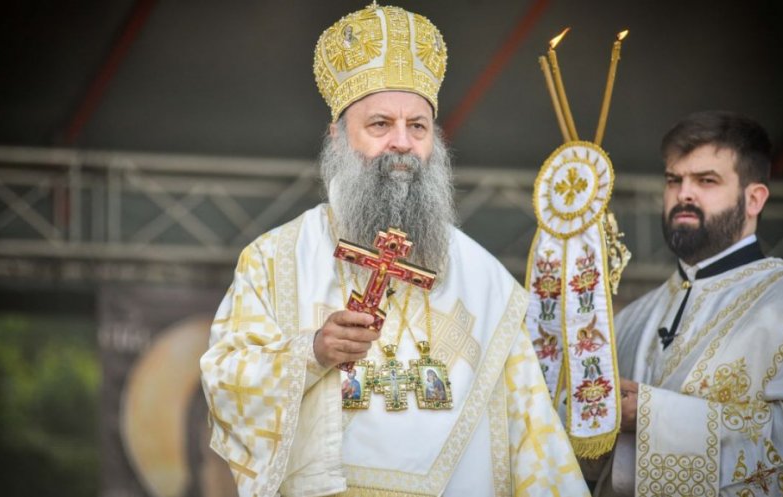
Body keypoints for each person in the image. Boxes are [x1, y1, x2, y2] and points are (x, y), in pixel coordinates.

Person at [200, 3, 589, 496]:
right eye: (380, 125)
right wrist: (312, 353)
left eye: (418, 127)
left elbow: (535, 442)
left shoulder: (486, 282)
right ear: (337, 137)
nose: (402, 143)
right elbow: (224, 381)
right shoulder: (275, 260)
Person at [587, 111, 783, 496]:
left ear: (754, 199)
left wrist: (648, 415)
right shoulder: (629, 319)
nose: (684, 193)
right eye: (674, 180)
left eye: (706, 181)